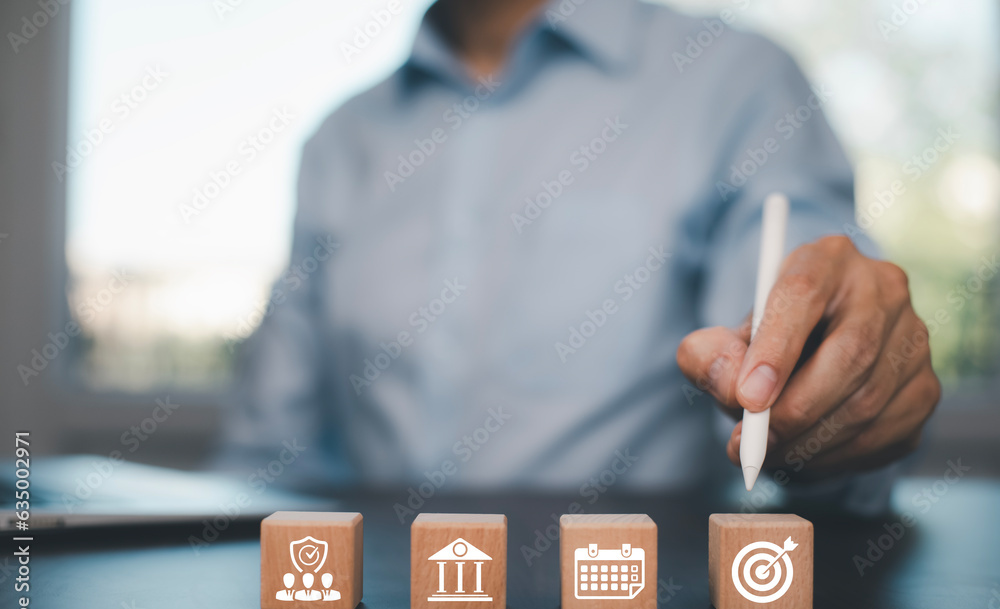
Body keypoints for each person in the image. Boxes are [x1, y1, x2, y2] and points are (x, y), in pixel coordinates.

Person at [220, 0, 940, 512]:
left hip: (639, 607)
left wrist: (842, 372)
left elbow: (803, 312)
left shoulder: (737, 82)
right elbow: (267, 450)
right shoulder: (340, 141)